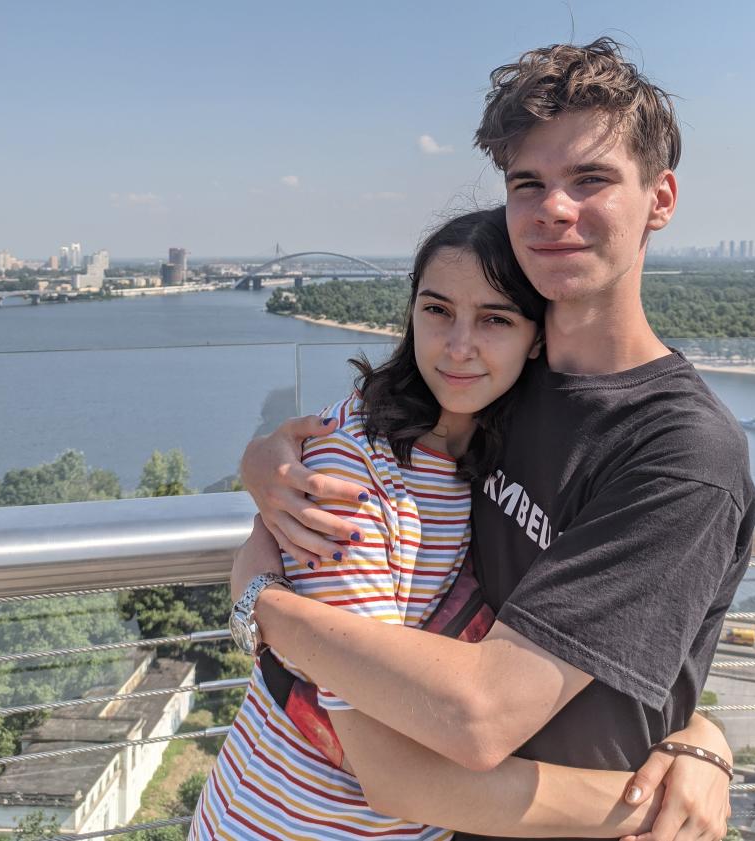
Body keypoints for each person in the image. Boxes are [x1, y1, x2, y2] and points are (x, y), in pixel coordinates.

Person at [234, 38, 755, 841]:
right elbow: (376, 474)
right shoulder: (503, 383)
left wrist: (263, 606)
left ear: (660, 199)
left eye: (591, 179)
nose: (554, 207)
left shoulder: (679, 452)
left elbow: (475, 719)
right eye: (528, 183)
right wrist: (268, 460)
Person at [192, 207, 678, 841]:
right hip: (279, 823)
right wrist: (656, 803)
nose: (458, 347)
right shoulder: (351, 471)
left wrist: (697, 736)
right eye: (437, 310)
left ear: (536, 336)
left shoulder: (504, 462)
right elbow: (388, 768)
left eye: (495, 319)